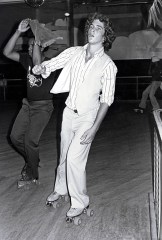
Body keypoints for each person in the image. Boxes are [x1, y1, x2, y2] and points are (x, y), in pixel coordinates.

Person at [33, 13, 117, 218]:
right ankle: (61, 189)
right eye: (91, 26)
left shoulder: (108, 65)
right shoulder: (75, 52)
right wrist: (41, 66)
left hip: (88, 117)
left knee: (74, 159)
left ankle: (80, 201)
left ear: (106, 35)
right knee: (64, 156)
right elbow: (52, 64)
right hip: (69, 113)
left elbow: (106, 100)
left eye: (98, 28)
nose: (92, 30)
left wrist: (94, 127)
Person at [3, 19, 55, 188]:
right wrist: (18, 32)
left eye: (33, 45)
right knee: (15, 137)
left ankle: (32, 173)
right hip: (28, 105)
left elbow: (38, 64)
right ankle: (33, 160)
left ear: (41, 47)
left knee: (30, 141)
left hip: (43, 107)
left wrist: (38, 41)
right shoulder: (26, 59)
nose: (28, 47)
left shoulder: (50, 63)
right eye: (29, 45)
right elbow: (6, 52)